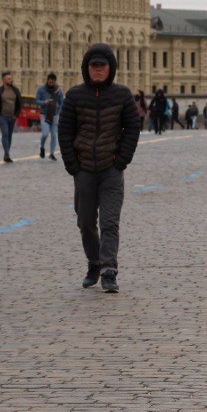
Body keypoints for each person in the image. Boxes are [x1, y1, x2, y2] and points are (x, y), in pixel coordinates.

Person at [58, 43, 140, 294]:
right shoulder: (75, 96)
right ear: (86, 68)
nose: (97, 70)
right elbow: (64, 130)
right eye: (93, 66)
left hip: (110, 170)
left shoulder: (122, 95)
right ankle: (94, 262)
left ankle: (108, 270)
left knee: (109, 221)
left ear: (110, 68)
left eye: (101, 66)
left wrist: (121, 161)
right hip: (84, 170)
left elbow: (133, 128)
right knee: (84, 222)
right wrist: (73, 165)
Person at [0, 71, 22, 163]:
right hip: (2, 117)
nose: (10, 80)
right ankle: (7, 153)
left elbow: (20, 104)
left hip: (12, 117)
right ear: (3, 80)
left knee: (9, 136)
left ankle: (6, 153)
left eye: (11, 78)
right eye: (8, 78)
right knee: (5, 133)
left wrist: (16, 115)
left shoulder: (15, 90)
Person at [35, 73, 64, 161]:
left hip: (54, 115)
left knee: (54, 135)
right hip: (44, 114)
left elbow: (61, 102)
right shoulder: (41, 89)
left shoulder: (58, 90)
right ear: (47, 80)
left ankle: (51, 153)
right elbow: (36, 100)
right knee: (45, 133)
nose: (51, 83)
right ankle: (42, 147)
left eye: (53, 82)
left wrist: (58, 109)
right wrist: (44, 102)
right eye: (50, 82)